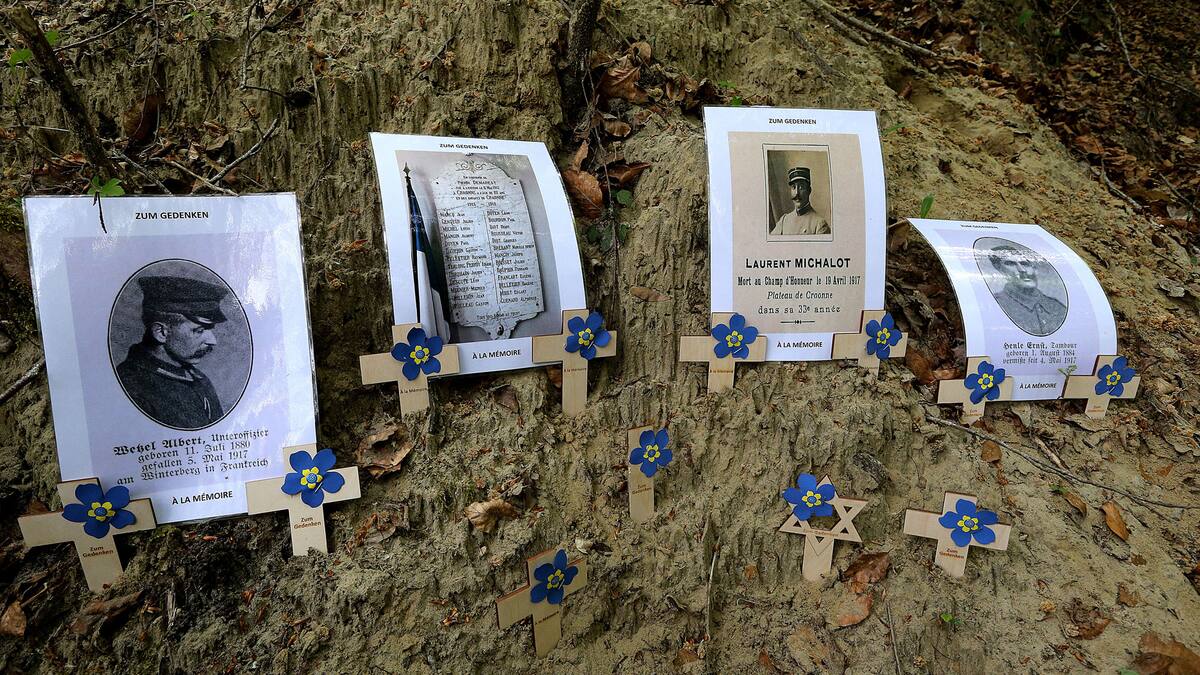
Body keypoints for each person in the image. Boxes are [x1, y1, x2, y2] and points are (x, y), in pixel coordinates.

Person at [115, 275, 228, 430]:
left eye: (210, 330)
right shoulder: (130, 386)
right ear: (161, 332)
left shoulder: (199, 380)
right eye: (199, 330)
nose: (212, 340)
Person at [987, 245, 1067, 336]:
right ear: (999, 269)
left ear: (1034, 269)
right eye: (1011, 264)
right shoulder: (995, 305)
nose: (1022, 270)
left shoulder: (1057, 306)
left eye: (1025, 264)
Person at [771, 166, 830, 236]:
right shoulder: (784, 221)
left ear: (809, 190)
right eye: (793, 187)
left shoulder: (819, 224)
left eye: (801, 187)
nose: (797, 193)